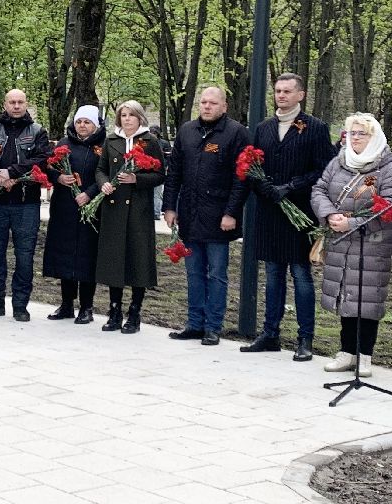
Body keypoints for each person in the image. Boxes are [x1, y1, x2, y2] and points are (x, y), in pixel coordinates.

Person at [240, 73, 334, 362]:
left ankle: (305, 337)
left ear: (300, 95)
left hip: (299, 212)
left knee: (301, 275)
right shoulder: (264, 128)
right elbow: (251, 164)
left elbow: (323, 170)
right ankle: (270, 333)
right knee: (272, 275)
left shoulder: (315, 128)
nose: (281, 96)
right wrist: (265, 188)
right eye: (278, 91)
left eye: (287, 91)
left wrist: (291, 187)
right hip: (270, 211)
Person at [310, 113, 392, 375]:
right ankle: (346, 351)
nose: (355, 138)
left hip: (372, 244)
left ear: (373, 137)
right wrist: (330, 214)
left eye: (361, 133)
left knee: (367, 299)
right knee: (346, 295)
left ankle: (365, 355)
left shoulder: (388, 168)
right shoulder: (338, 162)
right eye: (351, 133)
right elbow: (319, 190)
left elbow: (391, 206)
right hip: (340, 240)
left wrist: (351, 224)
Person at [163, 87, 248, 345]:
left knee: (217, 274)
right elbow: (174, 172)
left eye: (213, 103)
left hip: (219, 217)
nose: (207, 107)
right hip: (189, 214)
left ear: (224, 106)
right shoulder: (187, 131)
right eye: (203, 102)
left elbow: (241, 178)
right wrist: (170, 207)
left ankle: (213, 326)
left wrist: (231, 212)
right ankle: (194, 323)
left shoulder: (236, 133)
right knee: (194, 273)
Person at [0, 89, 50, 321]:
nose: (16, 106)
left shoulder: (38, 131)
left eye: (20, 102)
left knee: (25, 255)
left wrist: (12, 173)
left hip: (26, 204)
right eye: (12, 102)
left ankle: (20, 305)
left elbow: (42, 160)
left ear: (26, 104)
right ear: (4, 104)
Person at [96, 100, 167, 334]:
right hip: (114, 208)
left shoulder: (150, 142)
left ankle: (134, 313)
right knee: (114, 259)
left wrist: (138, 180)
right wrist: (104, 183)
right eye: (123, 115)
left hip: (139, 209)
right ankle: (114, 311)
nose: (126, 119)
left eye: (131, 115)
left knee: (138, 259)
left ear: (140, 118)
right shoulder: (111, 140)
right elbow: (101, 169)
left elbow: (159, 174)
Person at [42, 105, 104, 323]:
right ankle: (66, 304)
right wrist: (58, 178)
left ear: (96, 124)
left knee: (87, 257)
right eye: (79, 122)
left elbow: (106, 174)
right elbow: (48, 167)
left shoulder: (103, 145)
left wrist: (89, 193)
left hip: (91, 209)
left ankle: (87, 307)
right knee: (65, 256)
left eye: (87, 122)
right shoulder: (64, 143)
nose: (82, 126)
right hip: (65, 208)